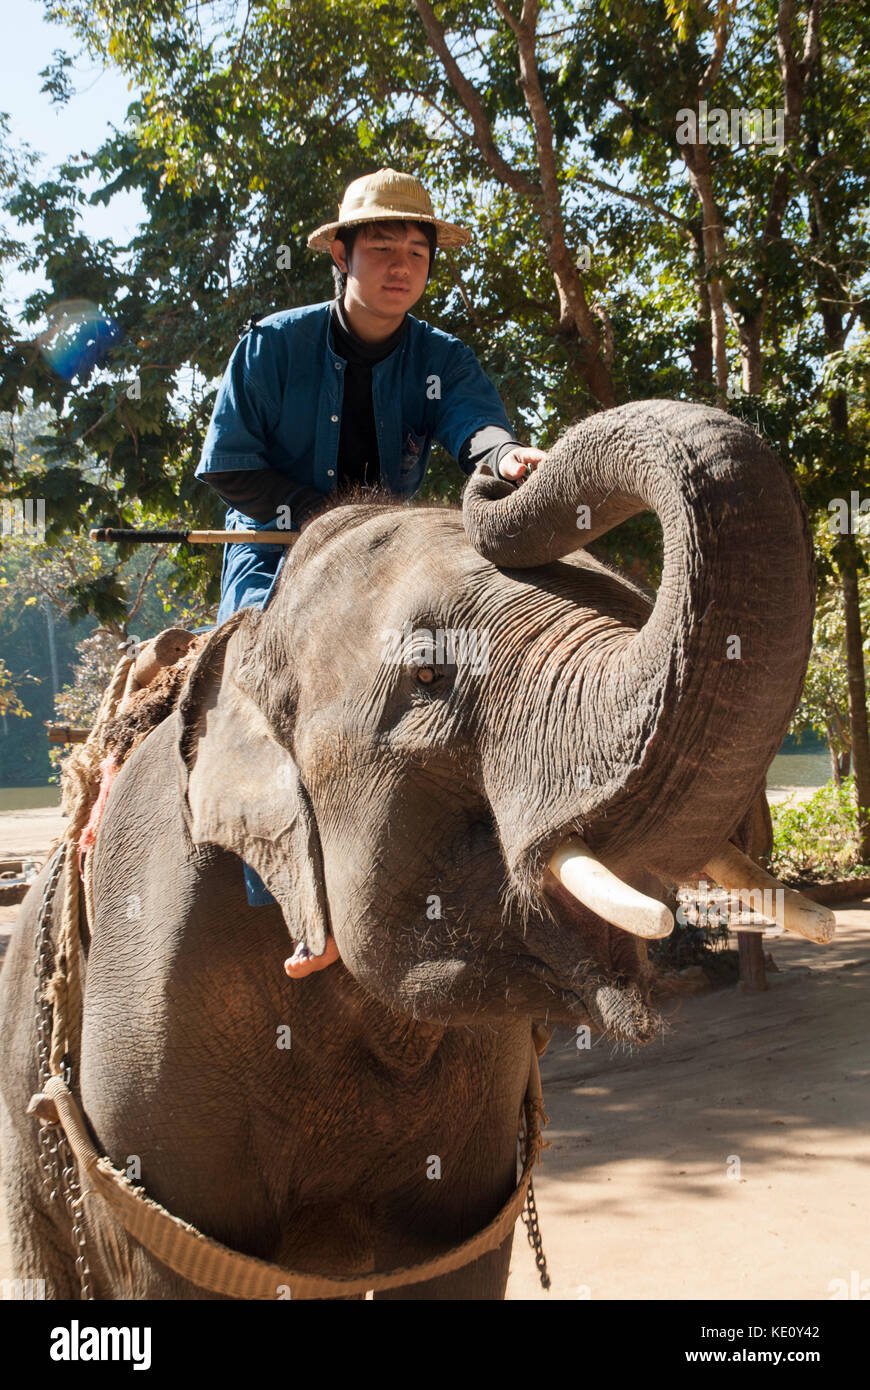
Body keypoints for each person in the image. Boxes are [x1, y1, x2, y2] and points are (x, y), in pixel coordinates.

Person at [195, 167, 546, 937]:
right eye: (381, 246)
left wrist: (504, 458)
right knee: (258, 693)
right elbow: (228, 466)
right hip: (276, 561)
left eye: (417, 251)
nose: (399, 265)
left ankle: (494, 884)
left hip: (392, 568)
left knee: (482, 668)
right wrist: (326, 520)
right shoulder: (271, 346)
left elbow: (478, 429)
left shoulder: (444, 358)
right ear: (341, 257)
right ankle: (292, 901)